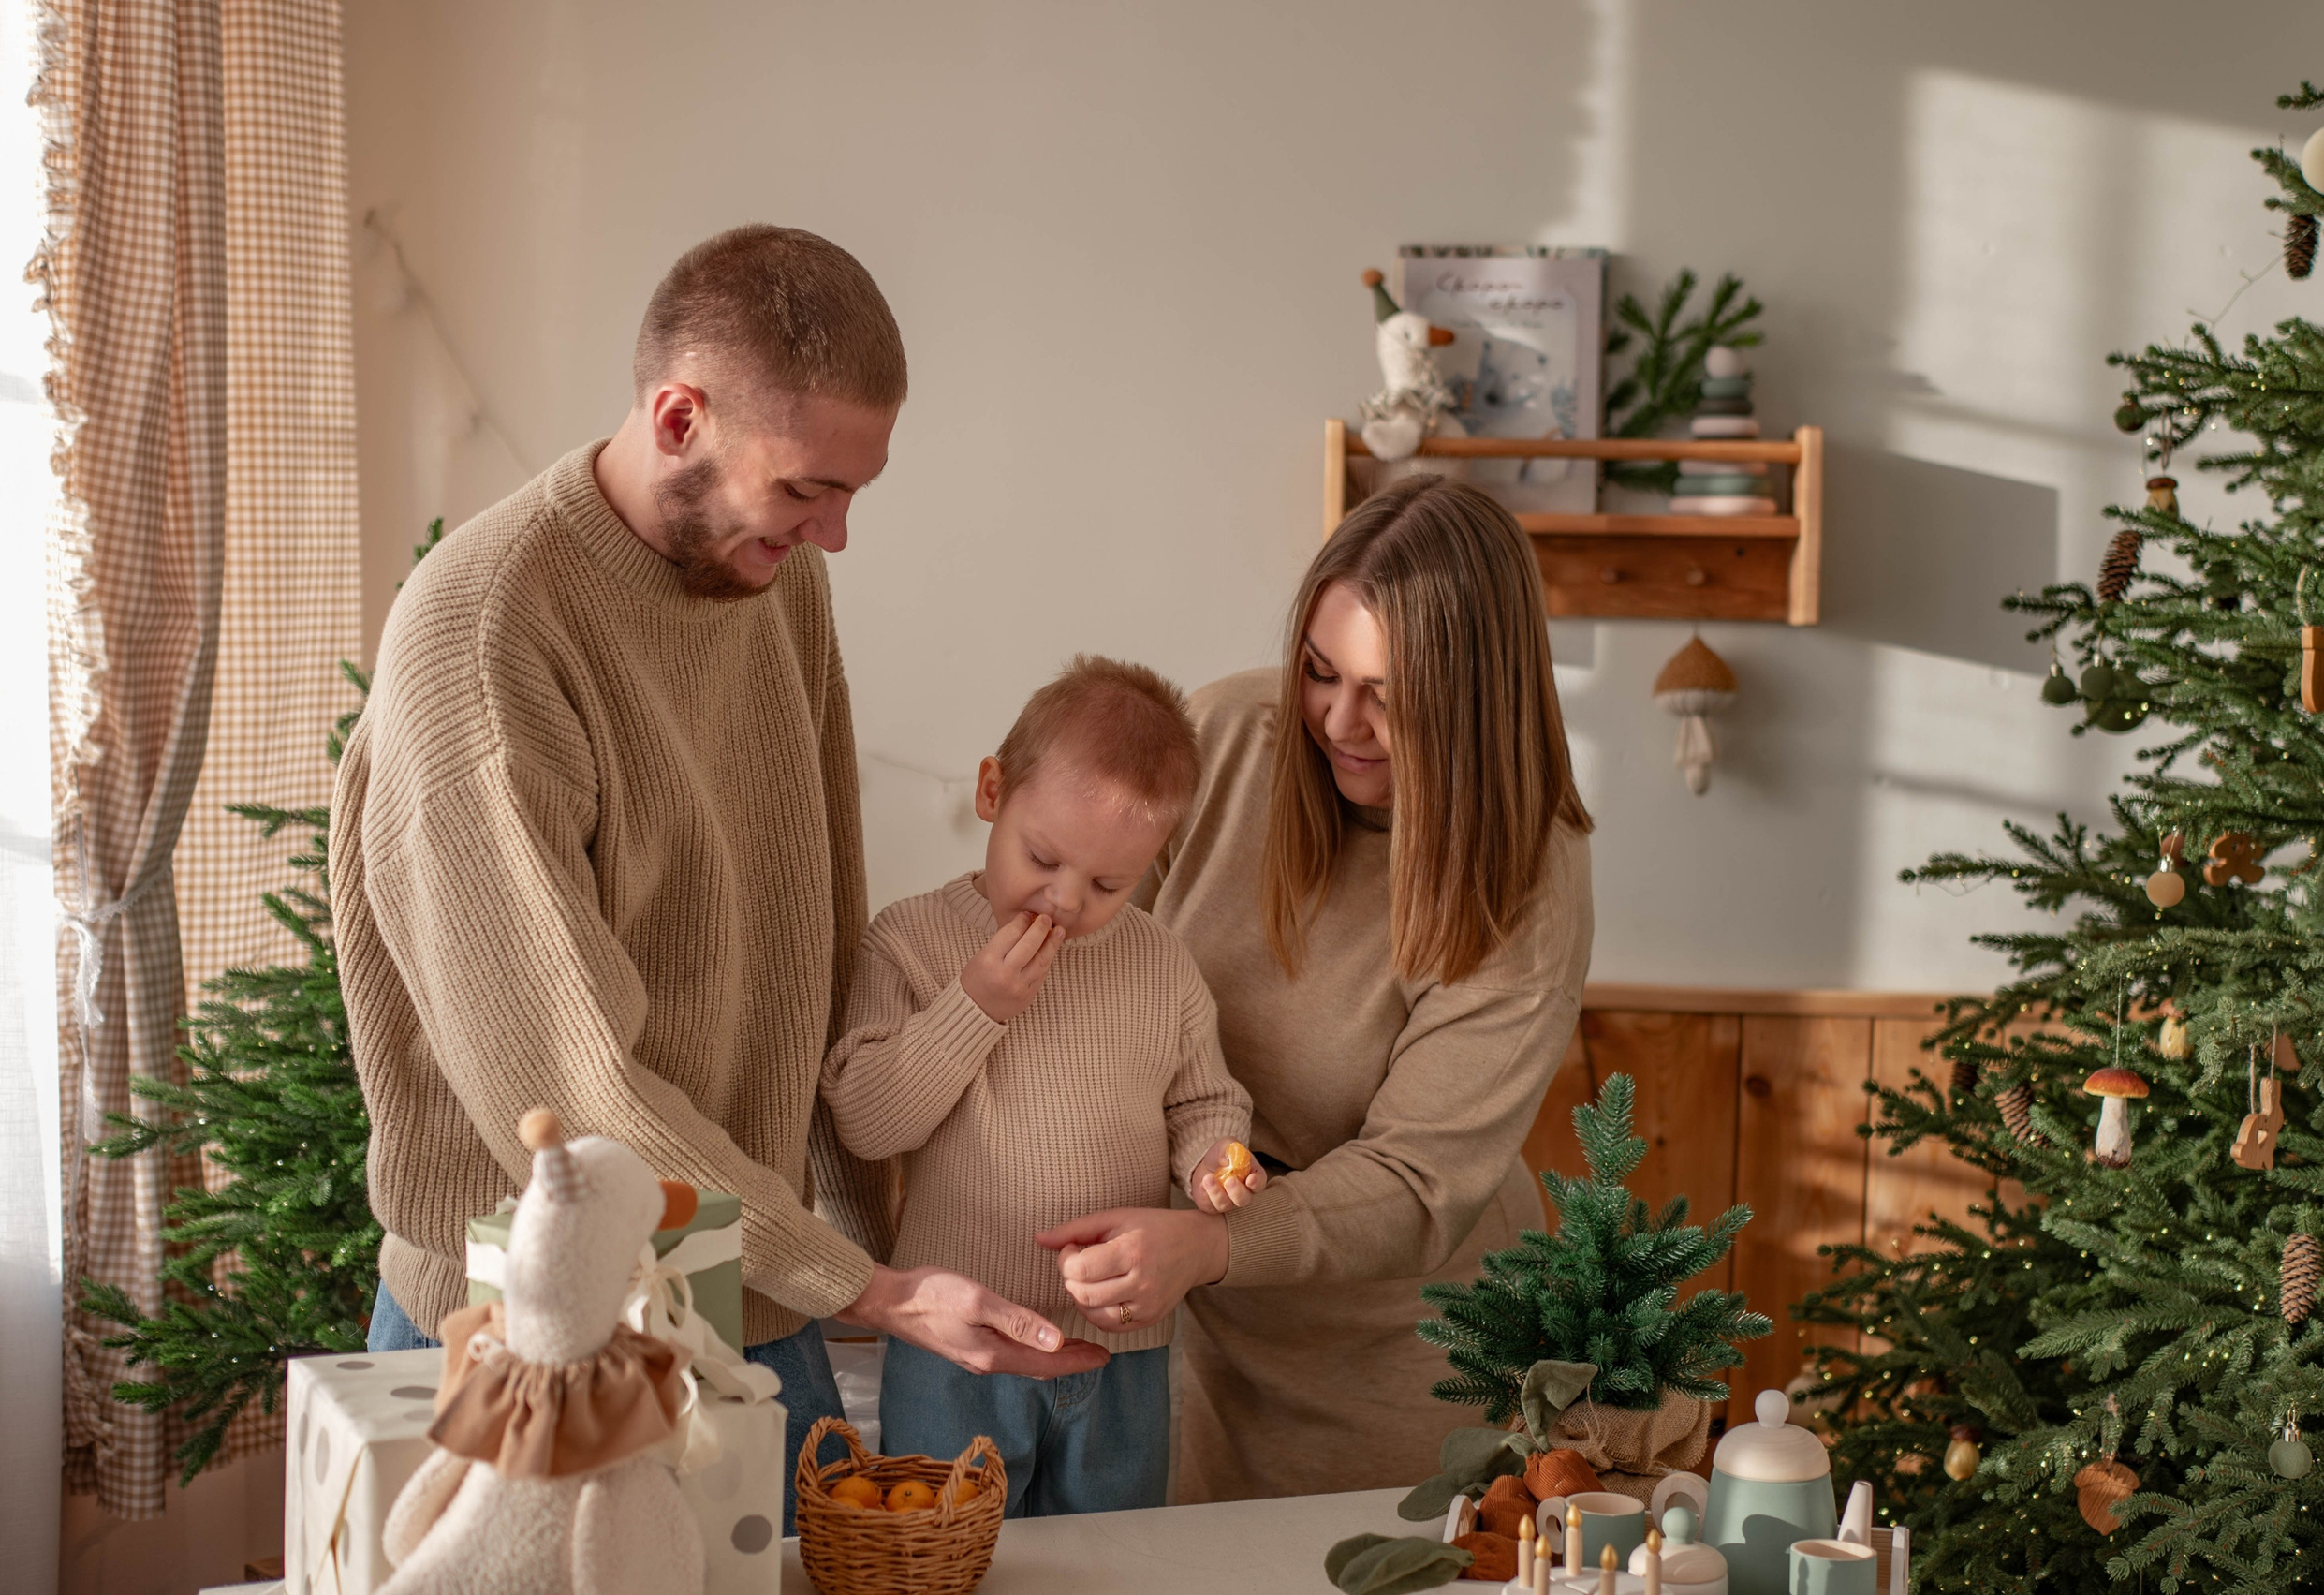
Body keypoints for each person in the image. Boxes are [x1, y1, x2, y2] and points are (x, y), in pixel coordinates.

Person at [329, 226, 1108, 1521]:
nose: (837, 534)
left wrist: (859, 1243)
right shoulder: (483, 638)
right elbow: (565, 1094)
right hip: (532, 1317)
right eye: (807, 488)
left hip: (747, 1273)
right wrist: (867, 1284)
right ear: (679, 414)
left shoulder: (776, 578)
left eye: (857, 492)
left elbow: (818, 917)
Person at [1035, 474, 1596, 1502]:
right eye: (1318, 670)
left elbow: (1418, 1177)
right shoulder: (1224, 736)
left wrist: (1212, 1240)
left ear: (1473, 693)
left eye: (1389, 691)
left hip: (1408, 1344)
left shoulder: (1529, 871)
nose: (1340, 720)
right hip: (1194, 1310)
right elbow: (1083, 975)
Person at [821, 656, 1264, 1516]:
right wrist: (975, 1005)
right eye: (1042, 857)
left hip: (1122, 1352)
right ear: (993, 790)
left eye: (1108, 883)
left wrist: (1217, 1160)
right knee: (943, 1552)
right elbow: (865, 1121)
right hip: (957, 1348)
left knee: (1114, 1561)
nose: (1065, 900)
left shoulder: (1160, 964)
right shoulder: (910, 941)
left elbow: (1204, 1100)